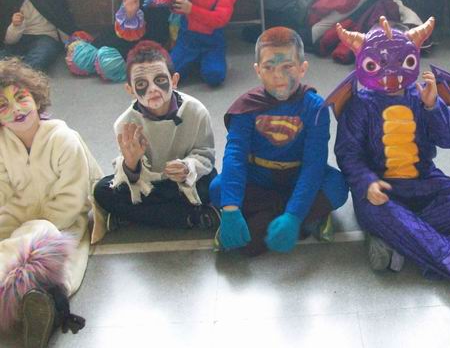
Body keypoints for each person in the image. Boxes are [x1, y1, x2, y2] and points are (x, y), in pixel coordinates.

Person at [333, 16, 450, 292]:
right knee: (374, 211)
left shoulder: (422, 96)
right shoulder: (359, 105)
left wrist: (433, 107)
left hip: (424, 181)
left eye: (401, 61)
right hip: (381, 191)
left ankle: (394, 238)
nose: (391, 74)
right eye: (379, 64)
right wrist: (367, 182)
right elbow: (348, 154)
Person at [210, 27, 348, 256]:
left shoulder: (315, 107)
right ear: (258, 70)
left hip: (298, 175)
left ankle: (276, 217)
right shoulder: (246, 107)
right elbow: (235, 156)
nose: (278, 76)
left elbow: (313, 166)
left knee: (338, 186)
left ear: (302, 68)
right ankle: (309, 218)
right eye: (269, 67)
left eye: (287, 66)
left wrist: (293, 215)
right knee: (217, 189)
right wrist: (231, 209)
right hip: (259, 177)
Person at [0, 58, 100, 347]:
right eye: (3, 105)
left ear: (36, 97)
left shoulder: (63, 139)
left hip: (61, 224)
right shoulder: (3, 144)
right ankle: (30, 303)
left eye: (21, 98)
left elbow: (72, 201)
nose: (16, 109)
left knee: (45, 246)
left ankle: (38, 303)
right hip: (15, 221)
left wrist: (31, 225)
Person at [92, 41, 218, 234]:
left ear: (174, 80)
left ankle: (138, 215)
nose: (152, 89)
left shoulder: (196, 111)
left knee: (213, 184)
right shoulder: (125, 123)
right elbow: (130, 178)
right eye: (142, 84)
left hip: (183, 184)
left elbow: (205, 154)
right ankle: (190, 216)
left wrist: (188, 167)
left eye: (159, 80)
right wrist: (131, 164)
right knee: (102, 190)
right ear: (130, 89)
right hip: (150, 185)